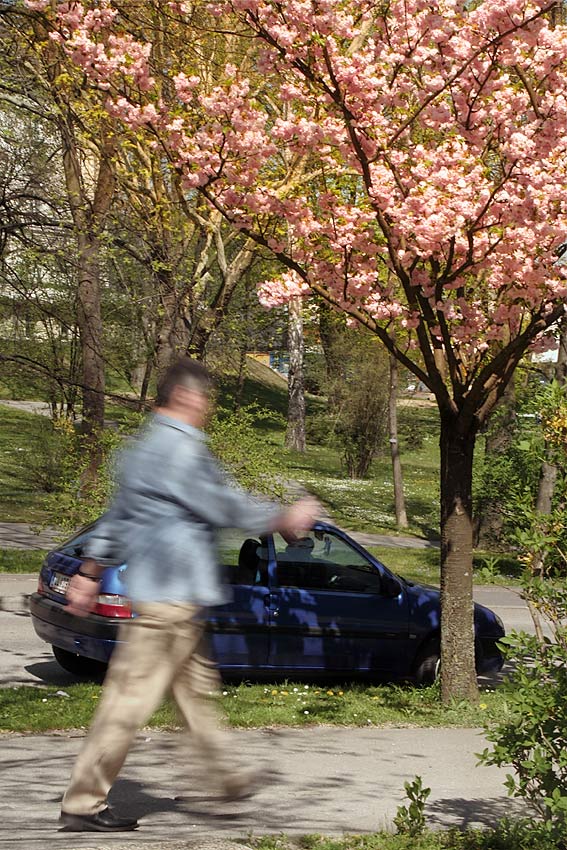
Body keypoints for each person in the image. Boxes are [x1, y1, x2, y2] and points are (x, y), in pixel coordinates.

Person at [59, 357, 319, 833]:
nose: (207, 410)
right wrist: (283, 516)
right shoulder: (181, 450)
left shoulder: (139, 449)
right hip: (169, 600)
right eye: (205, 401)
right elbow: (222, 505)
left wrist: (89, 571)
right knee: (127, 701)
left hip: (173, 600)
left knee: (196, 695)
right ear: (185, 397)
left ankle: (228, 779)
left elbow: (118, 519)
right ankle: (83, 802)